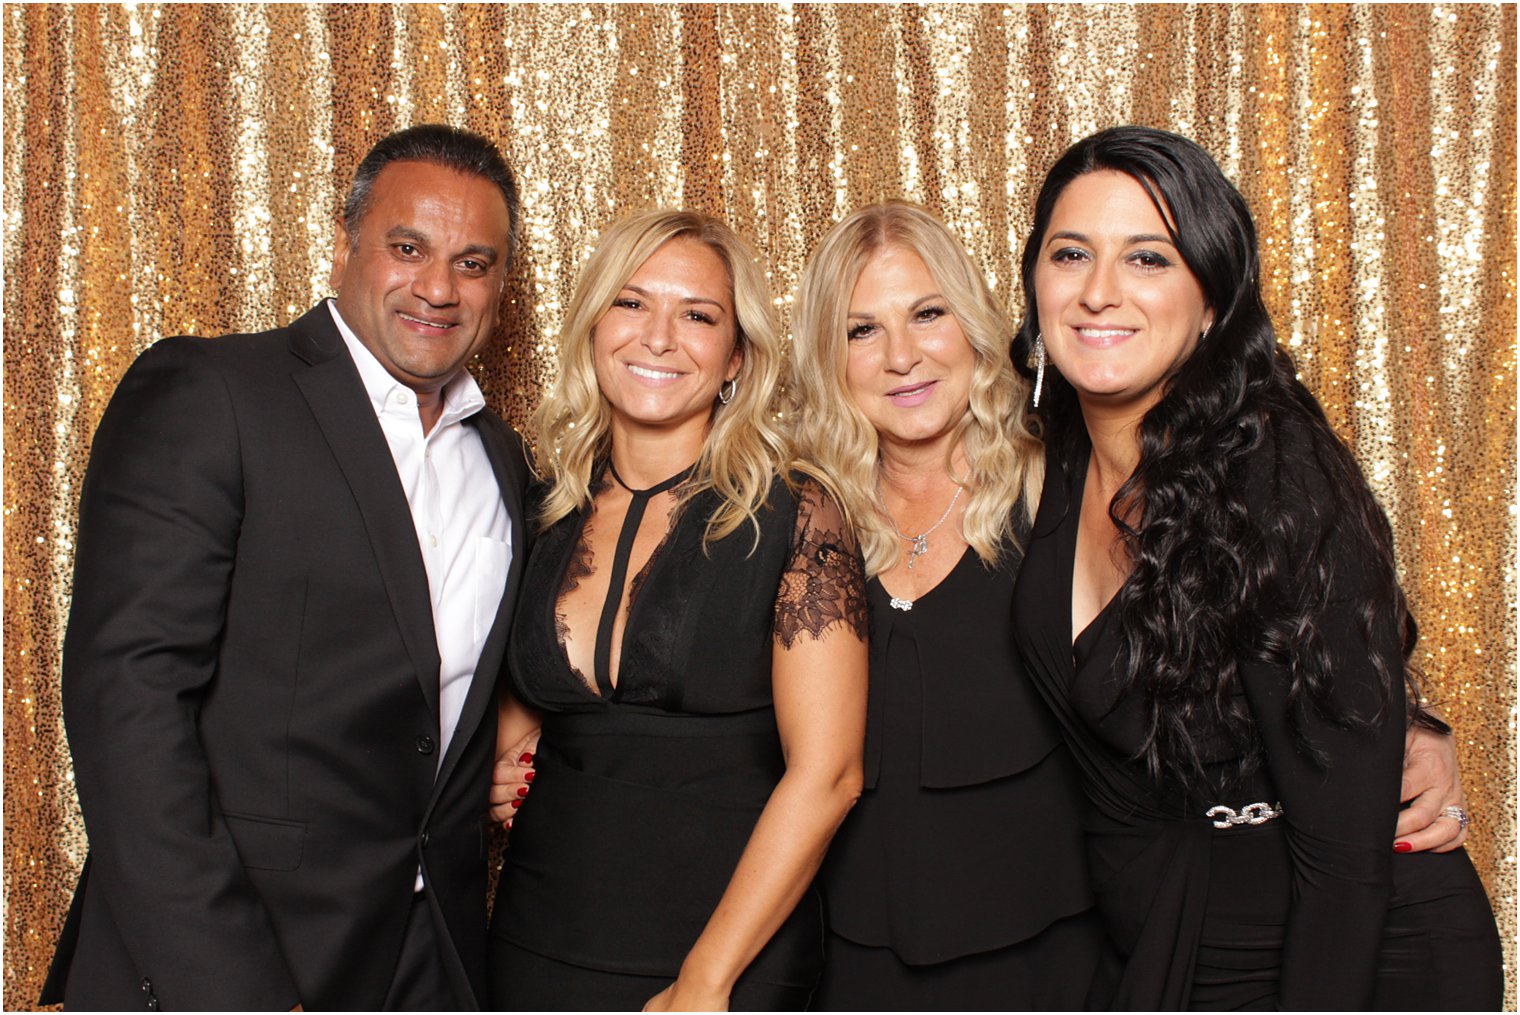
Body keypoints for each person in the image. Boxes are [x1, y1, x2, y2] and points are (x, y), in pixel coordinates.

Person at [1009, 125, 1502, 1009]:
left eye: (1149, 259)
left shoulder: (1278, 476)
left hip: (1349, 956)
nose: (1098, 292)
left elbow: (1346, 870)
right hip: (1174, 937)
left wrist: (1402, 728)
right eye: (1069, 253)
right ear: (1034, 283)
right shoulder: (1064, 456)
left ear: (1211, 301)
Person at [42, 124, 531, 1011]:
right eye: (408, 247)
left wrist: (515, 720)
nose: (437, 287)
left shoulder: (505, 460)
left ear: (501, 282)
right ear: (347, 243)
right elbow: (129, 702)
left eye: (474, 262)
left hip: (434, 961)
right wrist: (235, 991)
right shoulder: (215, 393)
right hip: (236, 958)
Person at [485, 209, 869, 1011]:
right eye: (632, 303)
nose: (658, 337)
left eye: (697, 315)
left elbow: (829, 774)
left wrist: (707, 978)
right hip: (539, 943)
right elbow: (515, 710)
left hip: (727, 955)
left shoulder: (797, 514)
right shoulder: (542, 508)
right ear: (594, 327)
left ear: (735, 357)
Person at [786, 201, 1104, 1010]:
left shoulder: (1067, 484)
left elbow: (1227, 607)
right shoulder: (796, 520)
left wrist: (1406, 725)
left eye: (928, 313)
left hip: (1054, 962)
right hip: (850, 971)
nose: (902, 355)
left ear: (971, 323)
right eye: (862, 330)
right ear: (830, 356)